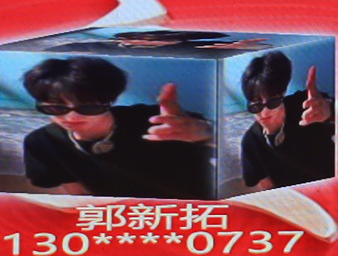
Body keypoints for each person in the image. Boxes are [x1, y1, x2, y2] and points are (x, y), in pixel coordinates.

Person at [19, 56, 214, 198]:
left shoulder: (158, 120)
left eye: (88, 107)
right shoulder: (41, 143)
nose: (71, 117)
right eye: (56, 108)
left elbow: (222, 146)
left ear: (110, 102)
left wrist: (205, 133)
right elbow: (79, 196)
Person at [238, 52, 336, 191]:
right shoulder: (251, 142)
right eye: (256, 106)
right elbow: (266, 188)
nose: (264, 113)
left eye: (273, 102)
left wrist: (330, 112)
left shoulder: (307, 107)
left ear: (282, 95)